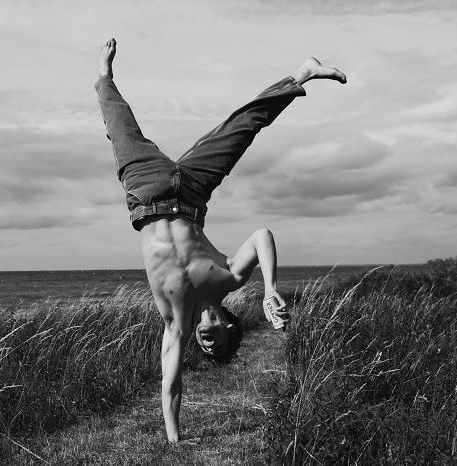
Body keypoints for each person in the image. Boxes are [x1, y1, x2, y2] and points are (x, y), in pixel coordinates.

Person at [95, 38, 346, 443]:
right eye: (217, 345)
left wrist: (174, 439)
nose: (208, 344)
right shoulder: (228, 278)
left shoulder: (176, 323)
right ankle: (303, 73)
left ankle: (104, 77)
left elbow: (170, 383)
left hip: (147, 192)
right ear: (231, 327)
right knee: (240, 127)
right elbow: (262, 236)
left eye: (205, 347)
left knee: (119, 127)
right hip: (192, 191)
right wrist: (269, 290)